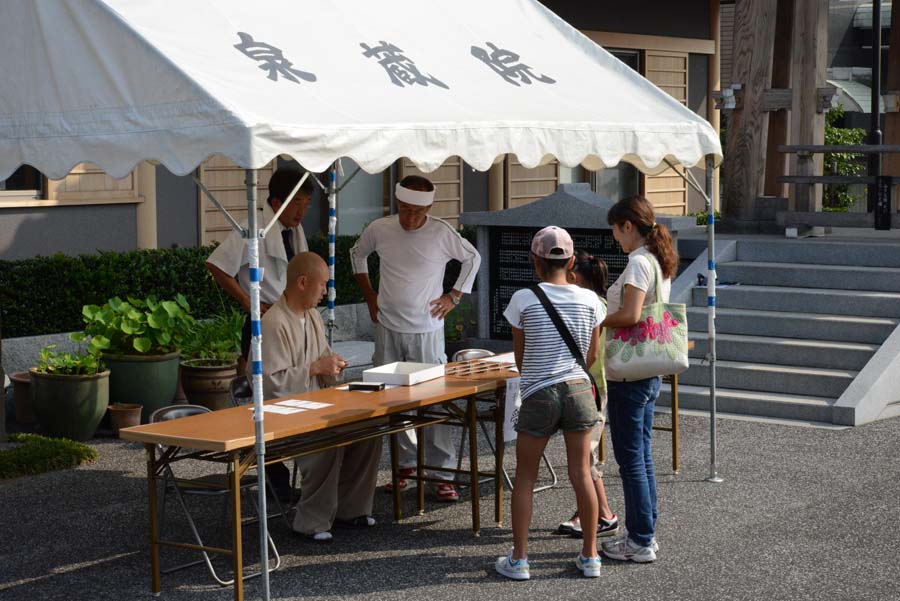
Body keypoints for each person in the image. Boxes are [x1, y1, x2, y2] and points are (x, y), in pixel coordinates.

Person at [350, 175, 481, 502]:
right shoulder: (380, 228)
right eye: (405, 210)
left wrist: (454, 296)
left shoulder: (440, 231)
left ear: (429, 207)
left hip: (427, 328)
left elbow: (473, 258)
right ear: (398, 204)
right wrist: (369, 295)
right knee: (393, 400)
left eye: (417, 212)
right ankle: (405, 467)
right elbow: (357, 253)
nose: (410, 218)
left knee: (434, 401)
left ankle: (442, 474)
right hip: (388, 328)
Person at [496, 226, 605, 580]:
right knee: (582, 473)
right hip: (578, 389)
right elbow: (591, 354)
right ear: (571, 261)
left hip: (539, 392)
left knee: (525, 476)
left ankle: (520, 560)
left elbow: (521, 356)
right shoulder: (591, 300)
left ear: (534, 261)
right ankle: (590, 556)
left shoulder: (522, 299)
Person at [206, 167, 314, 501]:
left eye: (307, 204)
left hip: (292, 320)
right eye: (298, 203)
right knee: (266, 402)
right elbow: (217, 266)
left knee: (295, 395)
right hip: (263, 320)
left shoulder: (292, 230)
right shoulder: (253, 227)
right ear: (278, 201)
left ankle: (293, 472)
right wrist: (249, 304)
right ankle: (275, 479)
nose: (302, 211)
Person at [258, 252, 381, 543]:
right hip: (284, 416)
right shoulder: (273, 323)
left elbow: (322, 357)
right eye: (323, 284)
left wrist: (332, 363)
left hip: (315, 407)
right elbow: (269, 385)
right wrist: (314, 368)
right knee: (328, 440)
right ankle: (310, 521)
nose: (326, 291)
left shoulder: (312, 315)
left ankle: (351, 509)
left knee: (369, 430)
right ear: (302, 282)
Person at [600, 195, 677, 564]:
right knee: (642, 457)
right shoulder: (659, 261)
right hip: (651, 369)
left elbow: (629, 315)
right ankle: (645, 533)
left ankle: (640, 540)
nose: (616, 238)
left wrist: (597, 317)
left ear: (627, 225)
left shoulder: (637, 263)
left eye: (615, 231)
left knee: (630, 460)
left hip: (629, 375)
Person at [556, 250, 619, 540]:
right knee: (585, 455)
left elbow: (591, 354)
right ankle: (599, 512)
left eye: (570, 276)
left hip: (590, 386)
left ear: (577, 278)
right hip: (592, 385)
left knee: (584, 457)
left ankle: (598, 514)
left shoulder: (592, 306)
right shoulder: (598, 304)